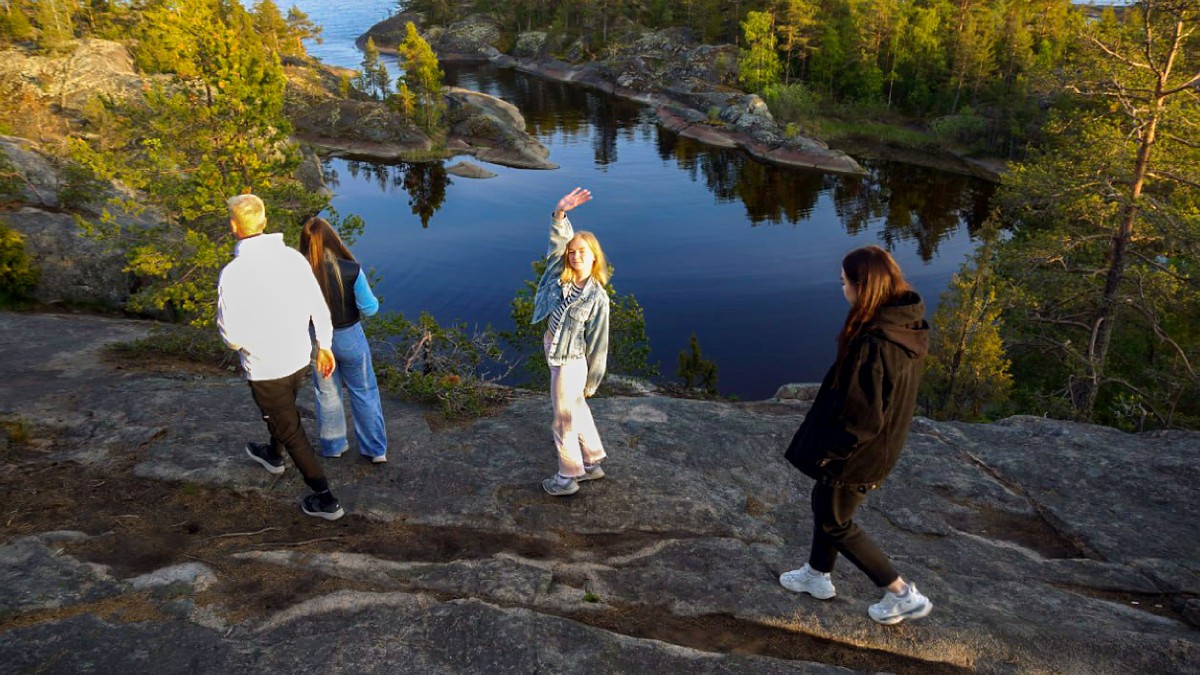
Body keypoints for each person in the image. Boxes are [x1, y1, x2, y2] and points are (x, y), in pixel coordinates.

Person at [780, 245, 932, 625]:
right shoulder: (902, 327)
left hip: (858, 453)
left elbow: (861, 418)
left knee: (836, 521)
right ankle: (817, 575)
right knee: (825, 503)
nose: (842, 288)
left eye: (844, 282)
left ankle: (901, 594)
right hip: (879, 446)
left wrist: (831, 453)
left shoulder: (874, 344)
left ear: (862, 286)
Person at [216, 194, 345, 521]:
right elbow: (319, 307)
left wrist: (250, 341)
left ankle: (326, 499)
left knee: (291, 429)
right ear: (264, 221)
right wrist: (325, 345)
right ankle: (273, 455)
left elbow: (231, 338)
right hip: (299, 359)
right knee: (282, 414)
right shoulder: (293, 259)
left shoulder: (233, 274)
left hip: (266, 367)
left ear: (234, 226)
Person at [532, 187, 611, 496]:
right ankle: (592, 463)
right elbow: (558, 244)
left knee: (563, 419)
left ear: (594, 257)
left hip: (571, 362)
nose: (576, 255)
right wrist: (560, 213)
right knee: (576, 411)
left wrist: (591, 382)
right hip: (553, 351)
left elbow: (599, 344)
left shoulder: (597, 297)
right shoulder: (559, 278)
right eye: (573, 251)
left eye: (583, 252)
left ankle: (567, 477)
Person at [299, 216, 388, 463]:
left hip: (316, 341)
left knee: (327, 393)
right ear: (332, 239)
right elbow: (370, 309)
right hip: (350, 337)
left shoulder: (298, 272)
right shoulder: (351, 269)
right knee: (364, 391)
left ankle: (334, 446)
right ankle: (375, 449)